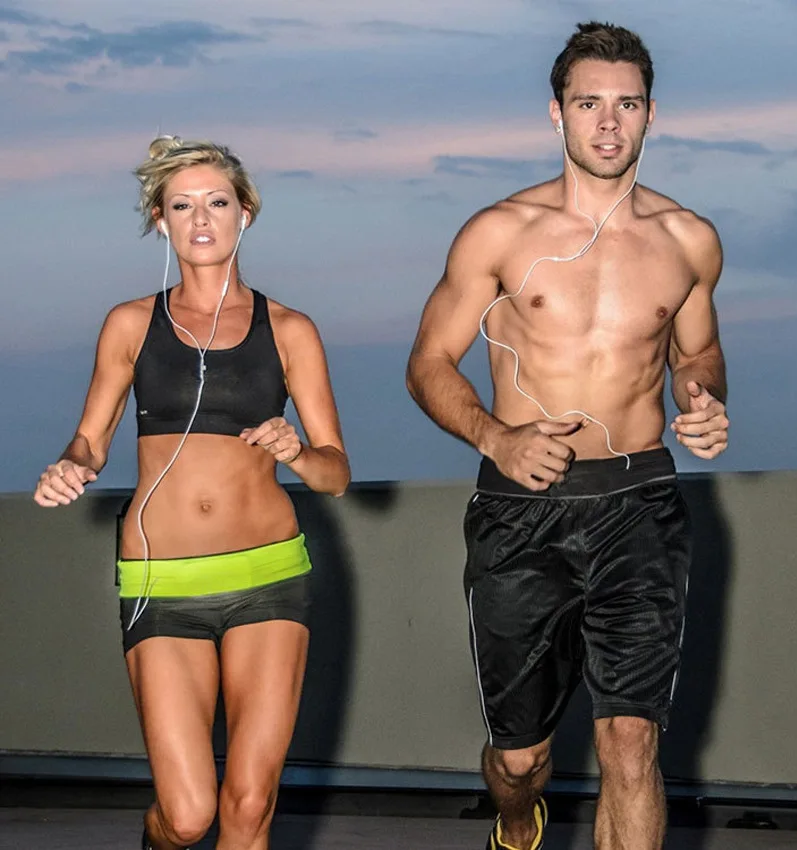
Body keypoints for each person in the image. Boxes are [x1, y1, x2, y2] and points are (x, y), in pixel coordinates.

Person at [407, 21, 729, 850]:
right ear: (557, 113)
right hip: (522, 509)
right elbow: (429, 363)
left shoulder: (689, 240)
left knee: (631, 742)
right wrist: (496, 438)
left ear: (651, 114)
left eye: (627, 104)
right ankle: (518, 821)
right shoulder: (499, 233)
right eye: (589, 104)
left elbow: (697, 353)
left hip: (640, 504)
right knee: (521, 758)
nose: (609, 123)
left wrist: (702, 397)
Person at [33, 136, 350, 850]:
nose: (201, 218)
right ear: (161, 220)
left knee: (249, 807)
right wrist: (68, 466)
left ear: (245, 214)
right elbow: (89, 440)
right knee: (186, 817)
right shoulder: (129, 324)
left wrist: (298, 451)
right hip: (162, 582)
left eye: (217, 202)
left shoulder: (291, 330)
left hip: (269, 579)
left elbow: (336, 473)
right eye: (182, 205)